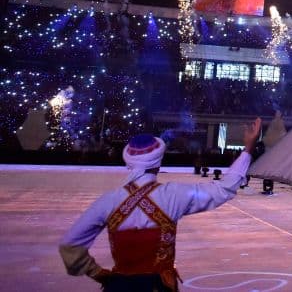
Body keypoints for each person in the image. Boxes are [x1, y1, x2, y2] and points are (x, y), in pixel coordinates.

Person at [59, 118, 262, 291]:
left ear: (128, 163)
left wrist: (99, 274)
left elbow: (70, 245)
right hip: (158, 286)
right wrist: (247, 149)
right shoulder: (172, 195)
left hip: (118, 286)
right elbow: (223, 189)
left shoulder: (108, 201)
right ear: (158, 162)